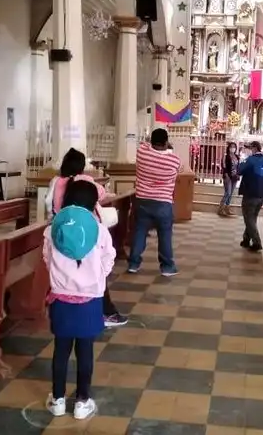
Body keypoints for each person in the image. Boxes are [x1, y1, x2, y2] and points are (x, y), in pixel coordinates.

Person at [44, 181, 115, 420]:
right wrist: (96, 278)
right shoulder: (100, 230)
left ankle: (58, 400)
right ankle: (83, 402)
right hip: (91, 299)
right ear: (94, 203)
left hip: (60, 298)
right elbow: (109, 259)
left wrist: (62, 280)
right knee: (85, 351)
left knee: (61, 350)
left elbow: (47, 258)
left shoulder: (53, 228)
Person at [46, 148, 128, 327]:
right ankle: (106, 313)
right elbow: (100, 194)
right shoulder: (84, 180)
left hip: (62, 231)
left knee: (65, 270)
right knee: (92, 270)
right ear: (82, 166)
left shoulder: (56, 181)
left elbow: (48, 203)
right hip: (86, 232)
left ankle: (63, 304)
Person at [129, 129, 181, 276]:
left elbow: (144, 143)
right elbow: (176, 173)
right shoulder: (174, 160)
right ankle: (167, 267)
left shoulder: (142, 153)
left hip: (142, 200)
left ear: (151, 141)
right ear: (166, 142)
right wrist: (168, 149)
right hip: (163, 202)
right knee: (164, 235)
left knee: (139, 232)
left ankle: (133, 264)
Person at [237, 141, 263, 252]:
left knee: (248, 218)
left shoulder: (250, 160)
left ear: (254, 148)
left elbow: (239, 170)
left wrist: (243, 162)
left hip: (250, 193)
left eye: (249, 148)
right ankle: (246, 239)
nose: (248, 150)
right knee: (252, 218)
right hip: (262, 194)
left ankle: (257, 242)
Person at [219, 142, 240, 217]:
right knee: (228, 192)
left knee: (231, 194)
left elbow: (238, 166)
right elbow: (224, 166)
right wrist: (226, 174)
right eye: (231, 147)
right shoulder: (226, 156)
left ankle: (227, 208)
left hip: (234, 177)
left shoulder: (237, 156)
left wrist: (238, 174)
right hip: (228, 177)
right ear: (228, 148)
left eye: (234, 147)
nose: (233, 148)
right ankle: (221, 208)